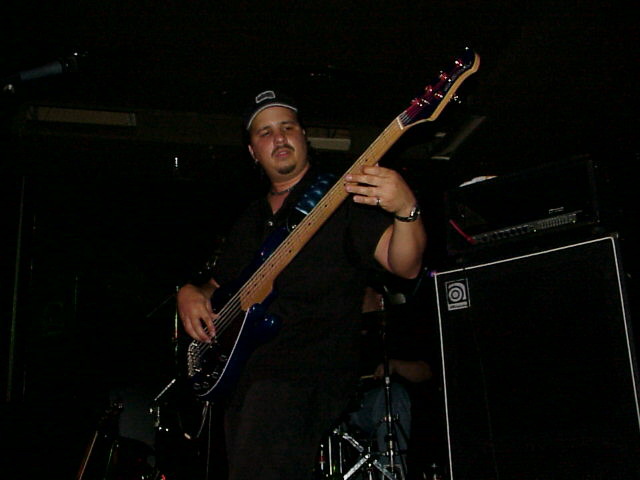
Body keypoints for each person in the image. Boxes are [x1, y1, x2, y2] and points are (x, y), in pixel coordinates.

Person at [177, 90, 427, 479]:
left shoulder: (342, 199)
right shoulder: (251, 219)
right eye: (265, 132)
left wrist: (406, 210)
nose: (278, 137)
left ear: (304, 136)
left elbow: (405, 265)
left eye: (287, 127)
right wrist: (190, 293)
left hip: (310, 369)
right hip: (247, 373)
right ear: (252, 151)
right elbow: (217, 286)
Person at [348, 286, 432, 476]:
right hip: (351, 405)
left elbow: (425, 372)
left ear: (379, 298)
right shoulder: (347, 334)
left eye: (362, 294)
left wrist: (394, 366)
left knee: (391, 397)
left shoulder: (400, 332)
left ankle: (394, 472)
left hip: (388, 403)